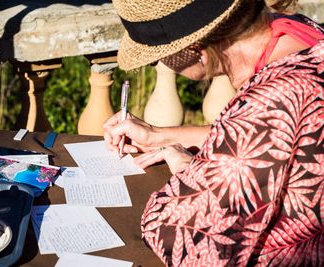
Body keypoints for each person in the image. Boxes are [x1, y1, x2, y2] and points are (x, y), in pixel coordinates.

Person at [103, 0, 324, 266]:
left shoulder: (272, 100)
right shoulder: (296, 31)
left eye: (160, 56)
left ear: (197, 51)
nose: (161, 63)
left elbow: (181, 237)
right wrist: (158, 135)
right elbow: (264, 133)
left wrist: (191, 171)